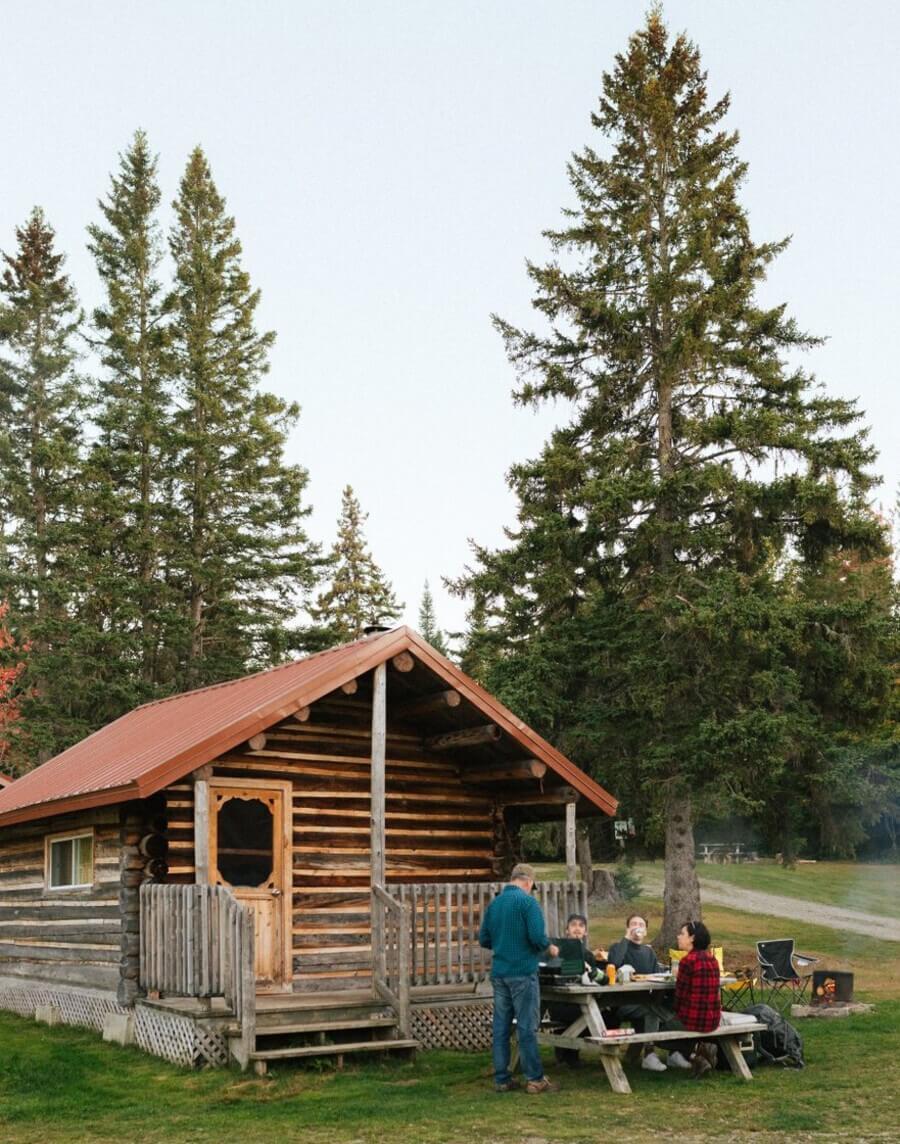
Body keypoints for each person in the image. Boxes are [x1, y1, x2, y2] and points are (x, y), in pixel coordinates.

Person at [478, 863, 560, 1094]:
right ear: (528, 881)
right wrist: (549, 948)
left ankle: (502, 1079)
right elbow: (536, 936)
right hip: (523, 971)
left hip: (500, 973)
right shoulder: (528, 903)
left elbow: (484, 938)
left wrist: (504, 943)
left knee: (502, 1027)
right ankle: (535, 1079)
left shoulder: (494, 905)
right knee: (526, 1027)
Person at [602, 913, 671, 1072]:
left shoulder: (649, 952)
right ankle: (649, 1054)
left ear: (646, 931)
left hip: (645, 1001)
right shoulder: (618, 947)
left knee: (655, 1007)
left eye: (641, 925)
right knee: (654, 1011)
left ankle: (654, 1053)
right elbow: (614, 964)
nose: (637, 927)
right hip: (622, 1003)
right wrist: (626, 938)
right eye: (633, 924)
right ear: (627, 928)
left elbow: (657, 975)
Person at [656, 919, 723, 1078]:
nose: (678, 937)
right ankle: (699, 1053)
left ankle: (695, 1057)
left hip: (693, 1021)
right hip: (713, 1020)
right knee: (671, 1017)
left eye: (682, 934)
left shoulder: (688, 961)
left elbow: (680, 997)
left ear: (692, 938)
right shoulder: (712, 960)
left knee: (656, 1028)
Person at [546, 913, 606, 1067]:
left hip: (582, 997)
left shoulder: (587, 954)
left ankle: (572, 1053)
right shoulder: (558, 951)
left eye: (581, 926)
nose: (577, 929)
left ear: (585, 932)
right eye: (573, 925)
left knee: (603, 1012)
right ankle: (564, 1052)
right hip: (559, 998)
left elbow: (597, 978)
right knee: (575, 1013)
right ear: (567, 930)